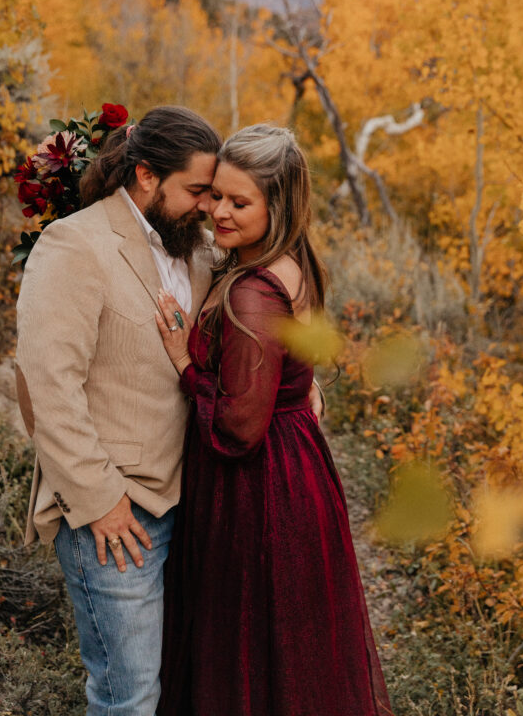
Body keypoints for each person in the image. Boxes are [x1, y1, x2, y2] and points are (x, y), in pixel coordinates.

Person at [155, 124, 393, 716]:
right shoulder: (292, 262)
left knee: (251, 653)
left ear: (277, 205)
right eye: (216, 195)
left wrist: (186, 360)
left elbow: (239, 427)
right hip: (296, 469)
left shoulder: (252, 295)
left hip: (257, 492)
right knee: (289, 656)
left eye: (240, 203)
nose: (219, 213)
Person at [14, 105, 223, 716]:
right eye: (197, 191)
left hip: (193, 503)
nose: (207, 207)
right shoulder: (74, 244)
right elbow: (48, 387)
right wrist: (101, 500)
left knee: (180, 687)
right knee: (128, 698)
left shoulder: (201, 250)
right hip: (116, 517)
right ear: (147, 176)